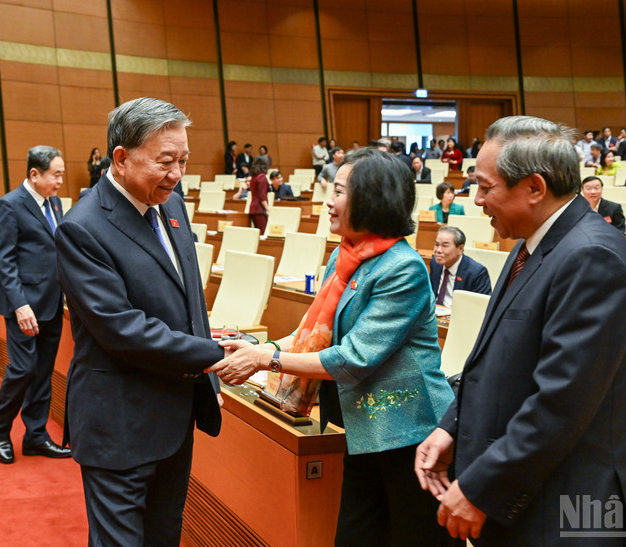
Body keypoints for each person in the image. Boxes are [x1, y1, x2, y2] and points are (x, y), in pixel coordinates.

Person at [415, 115, 626, 545]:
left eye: (485, 187)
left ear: (535, 188)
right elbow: (496, 361)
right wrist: (452, 426)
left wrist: (483, 486)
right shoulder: (531, 244)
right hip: (531, 501)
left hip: (572, 511)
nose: (477, 199)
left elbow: (561, 401)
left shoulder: (593, 257)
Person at [209, 147, 455, 546]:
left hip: (409, 434)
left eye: (339, 191)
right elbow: (312, 333)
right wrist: (257, 347)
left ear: (371, 199)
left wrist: (267, 359)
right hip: (360, 427)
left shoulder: (402, 268)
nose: (328, 200)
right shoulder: (345, 256)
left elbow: (354, 357)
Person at [55, 97, 224, 544]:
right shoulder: (82, 227)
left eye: (183, 160)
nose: (176, 174)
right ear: (121, 158)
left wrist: (209, 373)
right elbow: (121, 328)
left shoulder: (172, 204)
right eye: (165, 162)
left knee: (164, 535)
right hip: (119, 425)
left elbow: (189, 299)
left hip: (175, 415)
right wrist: (215, 355)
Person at [0, 145, 69, 464]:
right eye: (56, 175)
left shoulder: (55, 203)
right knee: (23, 369)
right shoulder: (9, 205)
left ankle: (35, 435)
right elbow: (4, 261)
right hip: (24, 306)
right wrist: (20, 305)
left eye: (61, 174)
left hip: (52, 302)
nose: (60, 181)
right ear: (35, 174)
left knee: (43, 372)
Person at [430, 226, 491, 306]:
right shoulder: (435, 263)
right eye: (436, 244)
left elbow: (483, 306)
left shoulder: (476, 272)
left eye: (445, 246)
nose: (438, 250)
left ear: (460, 249)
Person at [248, 158, 270, 232]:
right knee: (263, 233)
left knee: (257, 233)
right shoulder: (262, 177)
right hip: (259, 209)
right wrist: (267, 209)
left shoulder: (254, 177)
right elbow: (262, 196)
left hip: (253, 208)